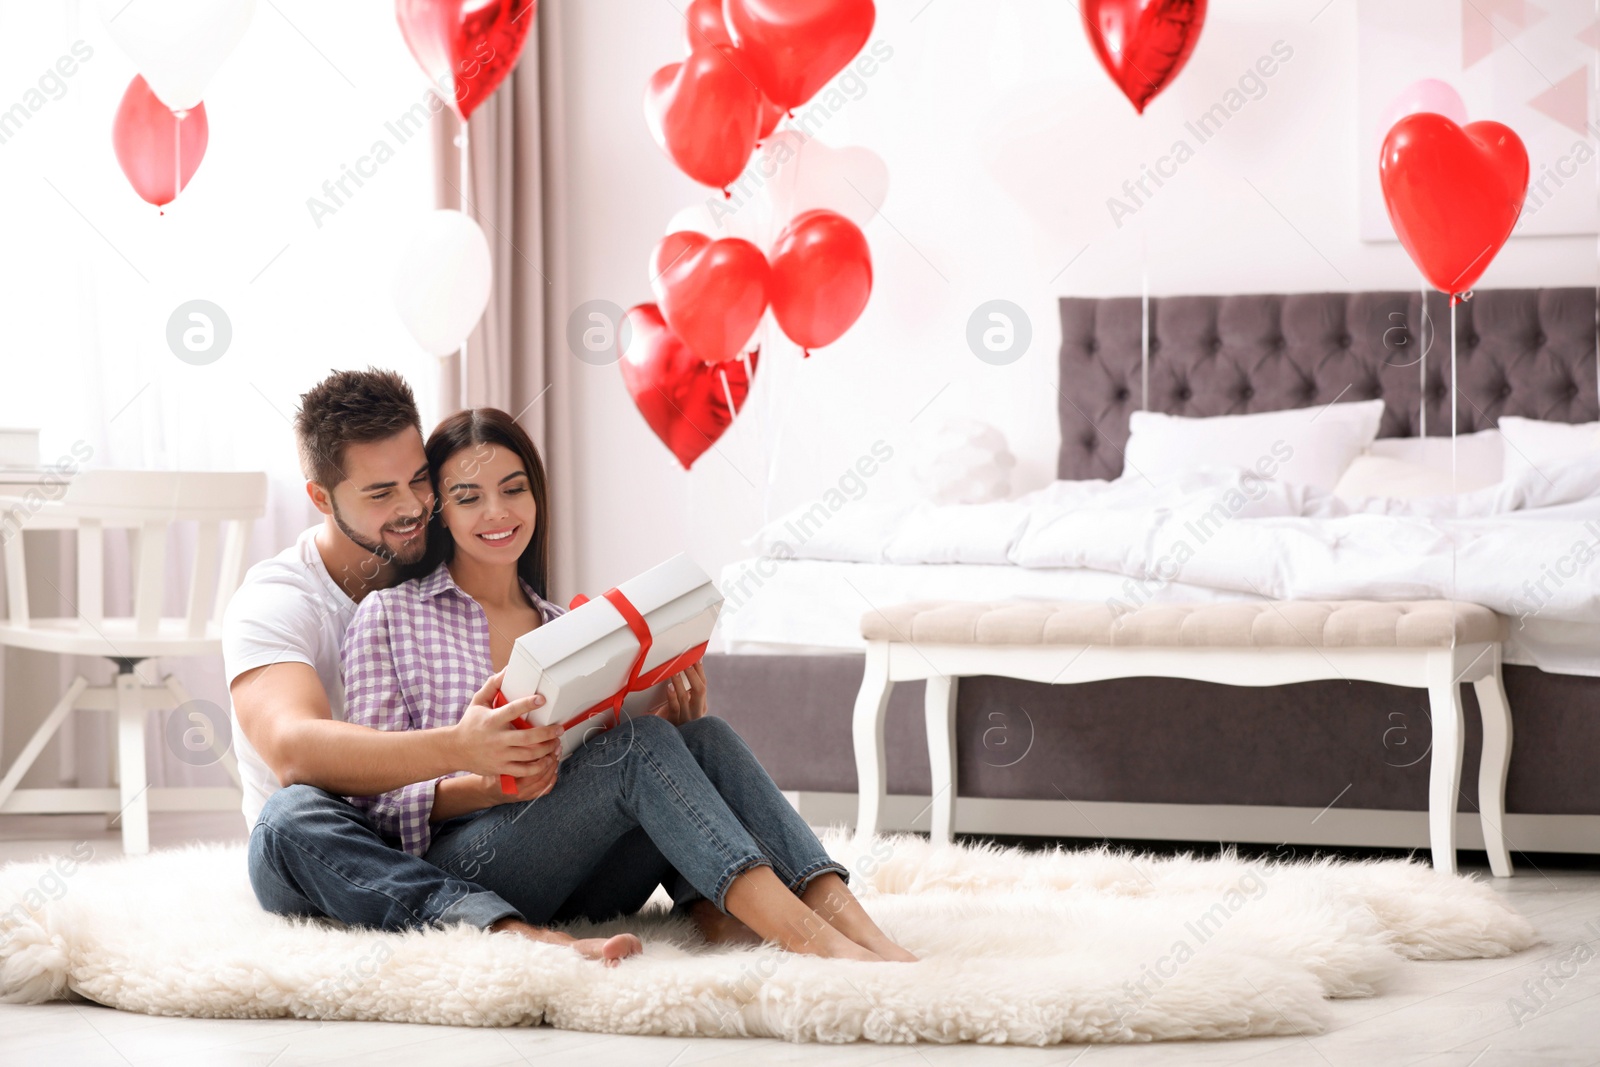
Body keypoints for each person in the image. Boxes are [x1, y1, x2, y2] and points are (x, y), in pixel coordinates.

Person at [340, 407, 917, 963]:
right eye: (468, 497)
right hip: (468, 877)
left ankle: (866, 935)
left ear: (536, 496)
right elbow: (371, 803)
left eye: (514, 489)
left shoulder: (567, 628)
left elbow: (597, 766)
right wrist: (484, 784)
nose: (497, 511)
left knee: (703, 736)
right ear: (438, 511)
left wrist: (673, 730)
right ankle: (817, 943)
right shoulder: (390, 616)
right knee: (642, 750)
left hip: (584, 880)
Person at [226, 369, 629, 963]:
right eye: (379, 492)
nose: (413, 506)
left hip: (437, 841)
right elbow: (292, 750)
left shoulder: (450, 583)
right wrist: (461, 749)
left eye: (418, 480)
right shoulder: (279, 600)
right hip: (328, 853)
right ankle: (506, 937)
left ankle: (484, 910)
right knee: (293, 815)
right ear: (320, 498)